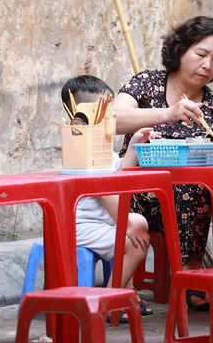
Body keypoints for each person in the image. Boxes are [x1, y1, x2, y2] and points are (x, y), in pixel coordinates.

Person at [113, 16, 213, 310]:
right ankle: (184, 275)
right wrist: (168, 113)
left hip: (186, 203)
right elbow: (112, 121)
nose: (207, 65)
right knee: (185, 190)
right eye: (201, 54)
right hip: (137, 193)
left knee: (195, 188)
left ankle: (193, 269)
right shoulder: (147, 83)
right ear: (181, 50)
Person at [62, 75, 154, 322]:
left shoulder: (101, 147)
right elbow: (105, 195)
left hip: (98, 223)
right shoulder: (83, 150)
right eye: (106, 110)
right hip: (80, 228)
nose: (114, 115)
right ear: (83, 117)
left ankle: (120, 294)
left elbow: (119, 177)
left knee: (140, 223)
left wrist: (135, 143)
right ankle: (110, 302)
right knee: (136, 244)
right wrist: (127, 226)